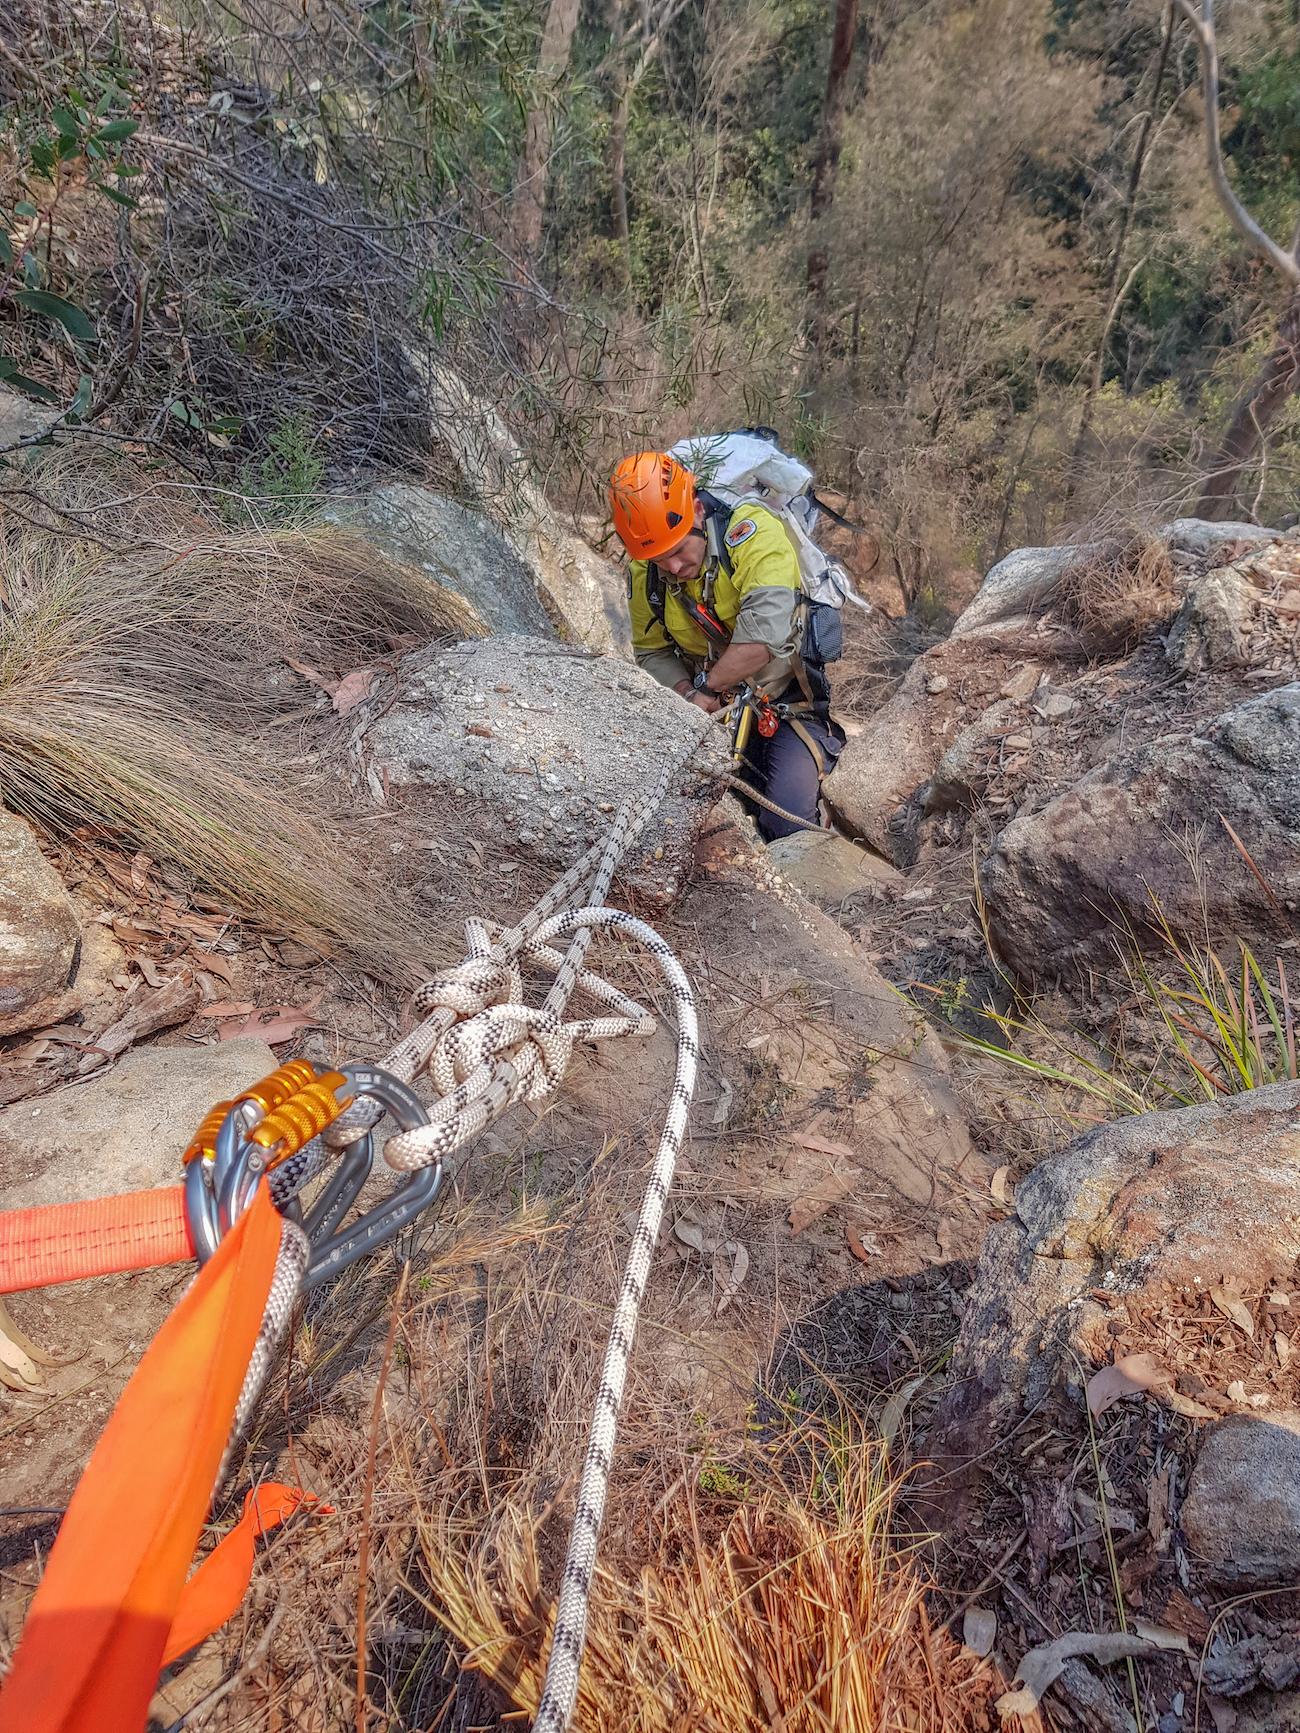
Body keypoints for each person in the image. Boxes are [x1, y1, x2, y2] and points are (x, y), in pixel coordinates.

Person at [608, 448, 843, 841]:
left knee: (786, 826)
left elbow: (762, 639)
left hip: (785, 707)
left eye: (680, 552)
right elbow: (652, 651)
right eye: (659, 560)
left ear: (698, 512)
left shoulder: (753, 533)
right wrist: (687, 692)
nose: (674, 569)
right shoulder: (643, 568)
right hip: (708, 714)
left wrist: (707, 688)